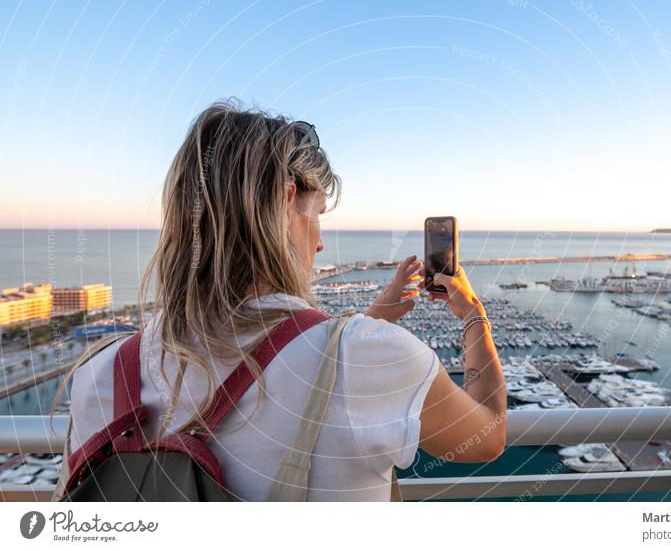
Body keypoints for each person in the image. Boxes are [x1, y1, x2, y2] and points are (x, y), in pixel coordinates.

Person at [53, 99, 506, 501]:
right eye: (318, 215)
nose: (321, 244)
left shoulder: (100, 375)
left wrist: (366, 324)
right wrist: (472, 315)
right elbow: (488, 435)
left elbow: (297, 366)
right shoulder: (374, 359)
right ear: (287, 201)